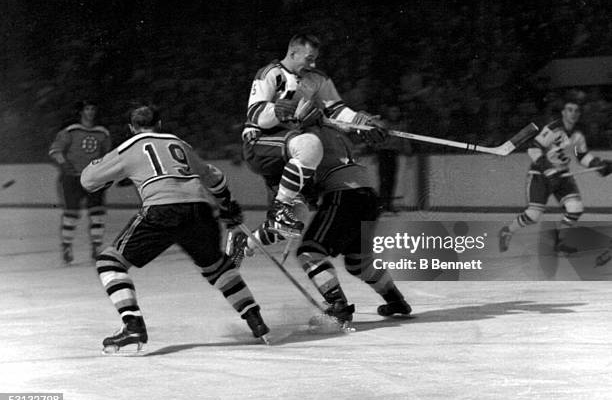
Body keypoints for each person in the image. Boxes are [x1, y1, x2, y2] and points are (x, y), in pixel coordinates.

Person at [80, 104, 270, 354]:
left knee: (109, 262)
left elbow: (88, 180)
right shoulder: (178, 143)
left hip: (161, 210)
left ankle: (133, 324)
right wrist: (227, 205)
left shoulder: (129, 146)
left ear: (131, 128)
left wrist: (114, 173)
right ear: (159, 124)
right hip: (199, 209)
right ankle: (256, 322)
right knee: (217, 267)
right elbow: (215, 177)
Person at [230, 124, 411, 325]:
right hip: (368, 196)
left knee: (310, 252)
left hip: (344, 195)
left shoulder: (307, 136)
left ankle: (338, 307)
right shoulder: (335, 130)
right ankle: (395, 300)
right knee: (359, 261)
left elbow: (308, 171)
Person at [242, 33, 386, 236]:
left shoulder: (317, 79)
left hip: (292, 152)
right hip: (261, 144)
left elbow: (336, 110)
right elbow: (256, 115)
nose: (313, 63)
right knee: (311, 144)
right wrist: (280, 110)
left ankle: (245, 242)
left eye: (315, 59)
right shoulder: (270, 74)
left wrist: (360, 123)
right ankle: (279, 209)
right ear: (293, 53)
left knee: (294, 222)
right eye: (309, 58)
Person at [498, 99, 612, 254]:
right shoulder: (552, 129)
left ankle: (560, 242)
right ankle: (507, 231)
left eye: (576, 111)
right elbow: (533, 150)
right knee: (533, 215)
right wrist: (549, 170)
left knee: (575, 208)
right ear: (563, 113)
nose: (573, 113)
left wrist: (598, 165)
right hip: (540, 174)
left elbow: (582, 156)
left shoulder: (578, 135)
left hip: (563, 175)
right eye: (569, 110)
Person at [49, 100, 112, 264]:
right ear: (81, 112)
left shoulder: (102, 132)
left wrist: (105, 171)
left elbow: (108, 155)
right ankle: (67, 246)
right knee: (71, 213)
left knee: (97, 213)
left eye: (93, 109)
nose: (90, 112)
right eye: (87, 109)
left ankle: (96, 247)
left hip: (93, 178)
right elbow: (55, 150)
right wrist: (64, 164)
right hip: (73, 178)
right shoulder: (71, 131)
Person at [375, 104, 412, 213]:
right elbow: (377, 139)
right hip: (384, 153)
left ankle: (388, 204)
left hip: (394, 153)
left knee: (392, 179)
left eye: (397, 111)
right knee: (384, 179)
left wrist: (407, 149)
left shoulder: (401, 125)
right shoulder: (383, 124)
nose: (395, 114)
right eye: (393, 111)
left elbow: (404, 139)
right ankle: (382, 205)